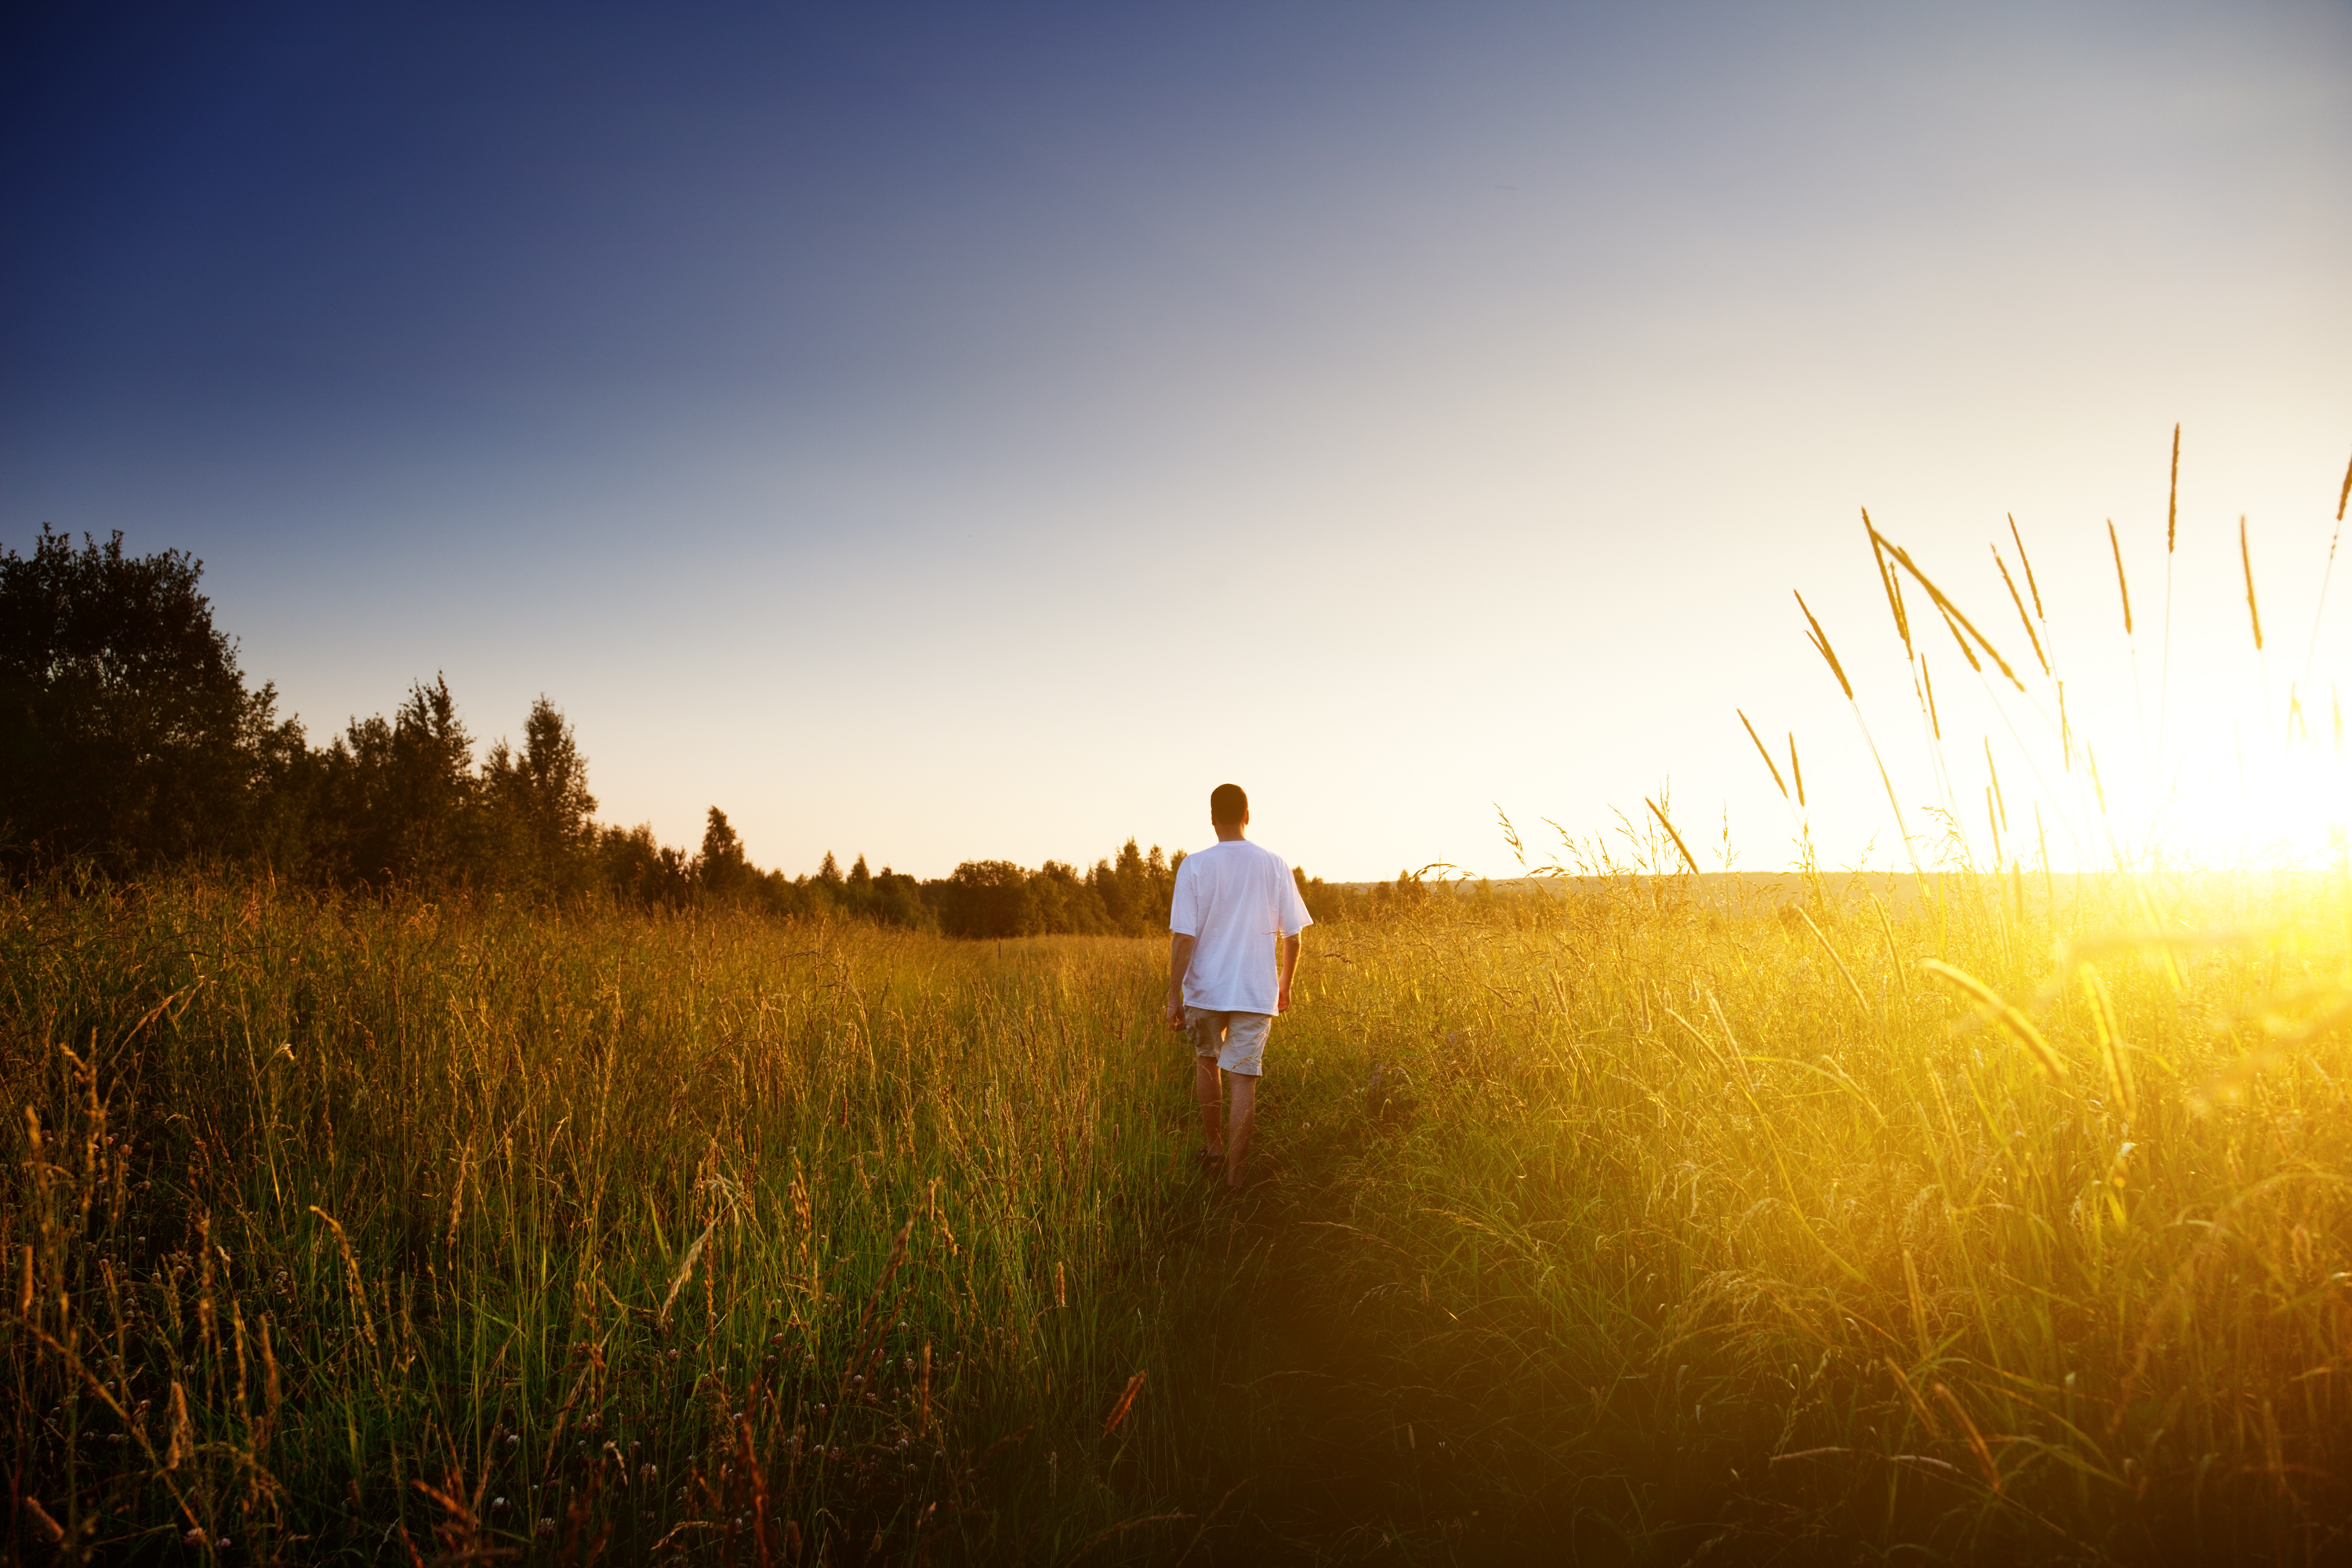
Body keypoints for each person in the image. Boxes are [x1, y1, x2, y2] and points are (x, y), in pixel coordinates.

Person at [1165, 782, 1312, 1190]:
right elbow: (1294, 936)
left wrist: (1173, 995)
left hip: (1206, 989)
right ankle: (1236, 1177)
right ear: (1248, 815)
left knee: (1206, 1061)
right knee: (1243, 1080)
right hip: (1254, 989)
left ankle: (1213, 1148)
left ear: (1212, 819)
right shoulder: (1274, 863)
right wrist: (1285, 983)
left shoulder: (1193, 866)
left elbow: (1183, 938)